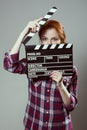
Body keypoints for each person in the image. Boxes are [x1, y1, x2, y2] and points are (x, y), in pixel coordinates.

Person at [3, 18, 78, 130]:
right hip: (34, 125)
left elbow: (71, 105)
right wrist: (24, 32)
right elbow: (10, 65)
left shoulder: (70, 69)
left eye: (54, 39)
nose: (48, 43)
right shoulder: (33, 62)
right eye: (44, 39)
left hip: (60, 127)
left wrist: (61, 86)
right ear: (41, 41)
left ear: (61, 41)